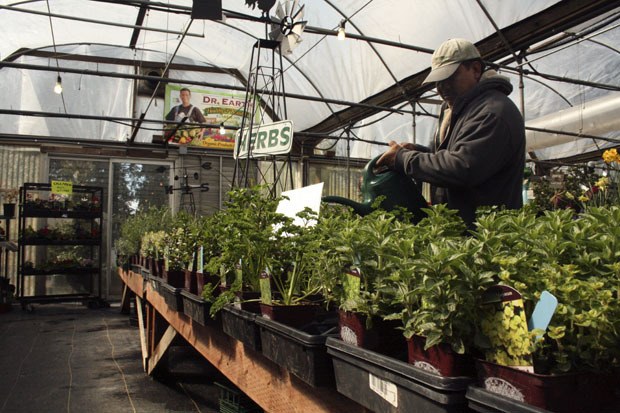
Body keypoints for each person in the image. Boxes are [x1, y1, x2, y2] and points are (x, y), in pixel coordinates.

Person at [377, 38, 525, 227]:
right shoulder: (462, 109)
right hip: (461, 231)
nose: (441, 88)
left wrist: (403, 159)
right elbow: (450, 156)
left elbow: (462, 167)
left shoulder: (492, 112)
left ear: (476, 70)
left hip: (488, 238)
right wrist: (418, 151)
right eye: (438, 82)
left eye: (449, 78)